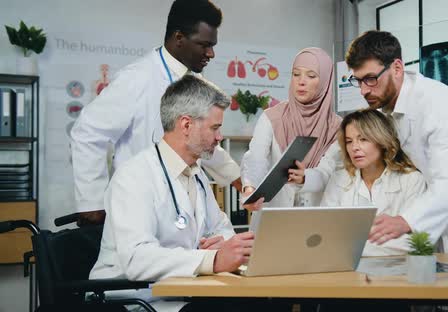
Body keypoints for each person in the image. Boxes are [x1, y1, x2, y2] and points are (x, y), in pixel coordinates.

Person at [302, 30, 448, 253]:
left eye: (370, 79)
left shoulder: (438, 104)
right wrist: (311, 174)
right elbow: (348, 141)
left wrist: (405, 220)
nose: (363, 90)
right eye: (358, 81)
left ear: (397, 68)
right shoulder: (388, 107)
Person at [71, 0, 242, 226]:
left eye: (213, 45)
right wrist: (92, 203)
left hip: (179, 202)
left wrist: (239, 180)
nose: (211, 53)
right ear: (179, 38)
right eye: (204, 45)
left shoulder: (196, 82)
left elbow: (203, 139)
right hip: (139, 202)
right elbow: (87, 132)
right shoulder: (137, 78)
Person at [90, 75, 253, 311]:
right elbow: (137, 259)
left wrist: (224, 245)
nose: (219, 137)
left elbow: (222, 229)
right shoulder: (134, 176)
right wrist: (213, 259)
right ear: (186, 125)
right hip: (135, 300)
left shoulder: (196, 174)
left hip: (184, 292)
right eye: (215, 128)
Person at [240, 47, 341, 210]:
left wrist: (304, 178)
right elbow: (256, 158)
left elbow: (329, 172)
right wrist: (250, 188)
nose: (301, 81)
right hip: (274, 216)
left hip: (317, 218)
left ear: (325, 82)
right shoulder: (272, 117)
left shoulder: (338, 127)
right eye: (296, 74)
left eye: (311, 76)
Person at [321, 109, 426, 256]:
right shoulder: (339, 180)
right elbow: (324, 233)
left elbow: (416, 241)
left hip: (398, 272)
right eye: (349, 141)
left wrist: (350, 244)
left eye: (363, 139)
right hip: (347, 271)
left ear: (381, 141)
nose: (354, 147)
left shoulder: (412, 180)